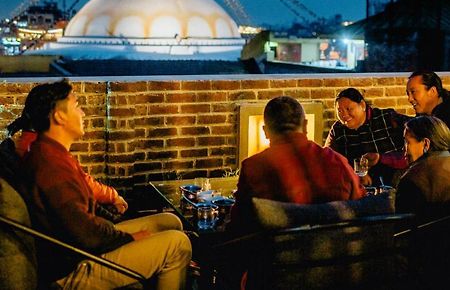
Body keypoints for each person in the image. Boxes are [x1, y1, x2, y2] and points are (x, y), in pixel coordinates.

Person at [20, 79, 192, 289]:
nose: (83, 113)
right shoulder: (51, 166)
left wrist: (116, 224)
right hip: (73, 268)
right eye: (77, 106)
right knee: (177, 243)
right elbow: (85, 233)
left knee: (169, 221)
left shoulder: (53, 153)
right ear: (59, 116)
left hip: (85, 247)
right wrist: (129, 238)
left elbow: (86, 211)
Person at [229, 96, 366, 234]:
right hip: (335, 250)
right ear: (305, 126)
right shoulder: (337, 162)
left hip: (277, 252)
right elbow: (360, 207)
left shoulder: (253, 167)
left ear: (265, 131)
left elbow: (239, 224)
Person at [7, 110, 128, 217]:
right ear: (55, 116)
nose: (82, 113)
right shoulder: (43, 152)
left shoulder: (29, 142)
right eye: (74, 106)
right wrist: (112, 196)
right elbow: (80, 183)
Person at [325, 87, 411, 186]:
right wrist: (354, 175)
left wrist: (382, 158)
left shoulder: (386, 117)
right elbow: (329, 160)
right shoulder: (338, 129)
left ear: (362, 105)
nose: (344, 115)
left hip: (395, 181)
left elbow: (420, 131)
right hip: (357, 187)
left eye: (349, 109)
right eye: (340, 111)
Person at [395, 115, 450, 220]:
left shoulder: (413, 178)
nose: (403, 148)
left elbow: (403, 225)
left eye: (407, 142)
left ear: (426, 144)